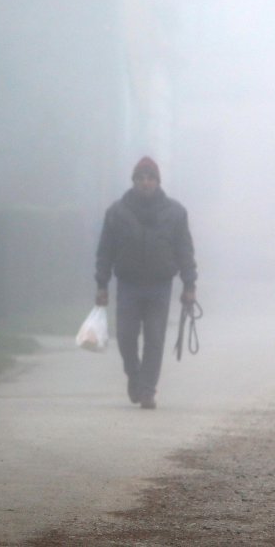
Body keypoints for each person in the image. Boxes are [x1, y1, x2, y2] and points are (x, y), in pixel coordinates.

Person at [94, 156, 197, 410]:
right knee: (126, 337)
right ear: (133, 181)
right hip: (128, 284)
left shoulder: (175, 212)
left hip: (160, 286)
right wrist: (102, 284)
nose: (145, 182)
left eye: (150, 178)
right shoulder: (116, 212)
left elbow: (185, 250)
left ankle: (148, 390)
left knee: (154, 338)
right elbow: (105, 251)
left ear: (157, 181)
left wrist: (189, 285)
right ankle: (134, 375)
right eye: (140, 178)